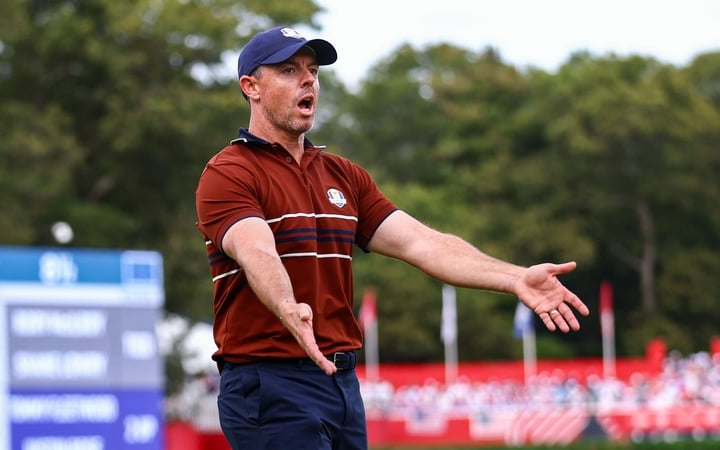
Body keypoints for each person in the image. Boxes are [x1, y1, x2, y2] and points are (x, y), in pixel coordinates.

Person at [194, 25, 590, 450]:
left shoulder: (344, 175)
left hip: (341, 383)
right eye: (289, 70)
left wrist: (514, 278)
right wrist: (287, 304)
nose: (308, 80)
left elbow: (423, 243)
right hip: (269, 381)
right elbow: (256, 250)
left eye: (313, 70)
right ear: (251, 87)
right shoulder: (230, 171)